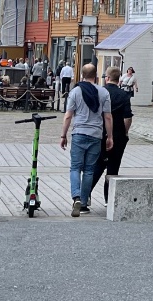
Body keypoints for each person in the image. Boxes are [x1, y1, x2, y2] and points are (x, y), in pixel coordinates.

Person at [59, 64, 113, 217]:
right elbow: (108, 116)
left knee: (75, 167)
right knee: (89, 170)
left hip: (79, 133)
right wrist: (110, 137)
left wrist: (63, 135)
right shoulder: (103, 92)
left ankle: (75, 197)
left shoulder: (75, 91)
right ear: (96, 76)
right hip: (96, 134)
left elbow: (68, 115)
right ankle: (83, 203)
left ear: (82, 75)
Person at [91, 67, 133, 204]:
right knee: (113, 168)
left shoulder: (99, 92)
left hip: (99, 132)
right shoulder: (123, 95)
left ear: (107, 78)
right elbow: (128, 117)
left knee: (97, 165)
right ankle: (108, 199)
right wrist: (125, 132)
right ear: (119, 79)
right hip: (118, 134)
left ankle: (85, 195)